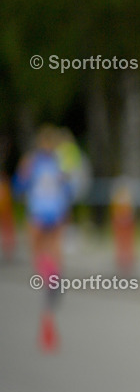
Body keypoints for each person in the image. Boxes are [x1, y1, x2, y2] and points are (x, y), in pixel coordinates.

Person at [15, 125, 76, 351]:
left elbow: (19, 187)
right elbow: (67, 189)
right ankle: (51, 285)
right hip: (47, 212)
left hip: (45, 213)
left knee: (45, 254)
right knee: (48, 255)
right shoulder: (51, 162)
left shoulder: (36, 162)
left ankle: (51, 285)